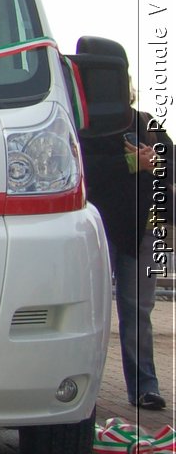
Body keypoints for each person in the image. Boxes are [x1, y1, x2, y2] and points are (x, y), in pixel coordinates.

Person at [84, 101, 169, 410]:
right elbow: (83, 165)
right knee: (89, 312)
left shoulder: (147, 122)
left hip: (141, 231)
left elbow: (171, 164)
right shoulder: (89, 124)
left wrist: (152, 161)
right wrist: (130, 162)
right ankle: (83, 387)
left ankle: (145, 386)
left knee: (138, 313)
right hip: (99, 231)